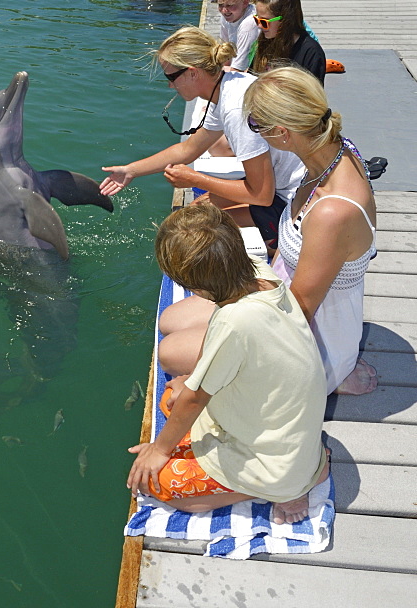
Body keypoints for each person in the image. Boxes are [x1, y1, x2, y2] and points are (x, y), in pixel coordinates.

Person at [127, 200, 328, 523]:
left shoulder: (235, 323)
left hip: (276, 463)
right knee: (173, 397)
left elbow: (194, 399)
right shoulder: (258, 272)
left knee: (160, 483)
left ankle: (283, 489)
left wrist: (160, 450)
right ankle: (294, 475)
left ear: (199, 288)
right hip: (285, 432)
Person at [99, 26, 304, 248]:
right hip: (283, 189)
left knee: (190, 230)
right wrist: (131, 170)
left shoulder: (236, 109)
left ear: (192, 72)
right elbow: (189, 149)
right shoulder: (229, 85)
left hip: (296, 203)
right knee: (195, 210)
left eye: (171, 77)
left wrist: (194, 179)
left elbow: (262, 195)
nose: (169, 85)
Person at [243, 67, 378, 396]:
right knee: (177, 321)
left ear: (283, 134)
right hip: (284, 297)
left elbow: (297, 312)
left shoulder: (332, 212)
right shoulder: (334, 151)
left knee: (179, 349)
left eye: (255, 124)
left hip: (311, 342)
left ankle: (336, 376)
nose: (254, 132)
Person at [250, 0, 326, 83]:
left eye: (264, 22)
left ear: (285, 20)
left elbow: (312, 96)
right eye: (257, 19)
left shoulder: (310, 52)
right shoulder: (265, 41)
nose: (259, 26)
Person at [216, 0, 259, 71]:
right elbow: (225, 50)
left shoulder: (249, 24)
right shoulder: (227, 15)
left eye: (230, 5)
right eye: (220, 5)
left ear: (245, 2)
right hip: (237, 66)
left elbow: (239, 69)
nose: (224, 10)